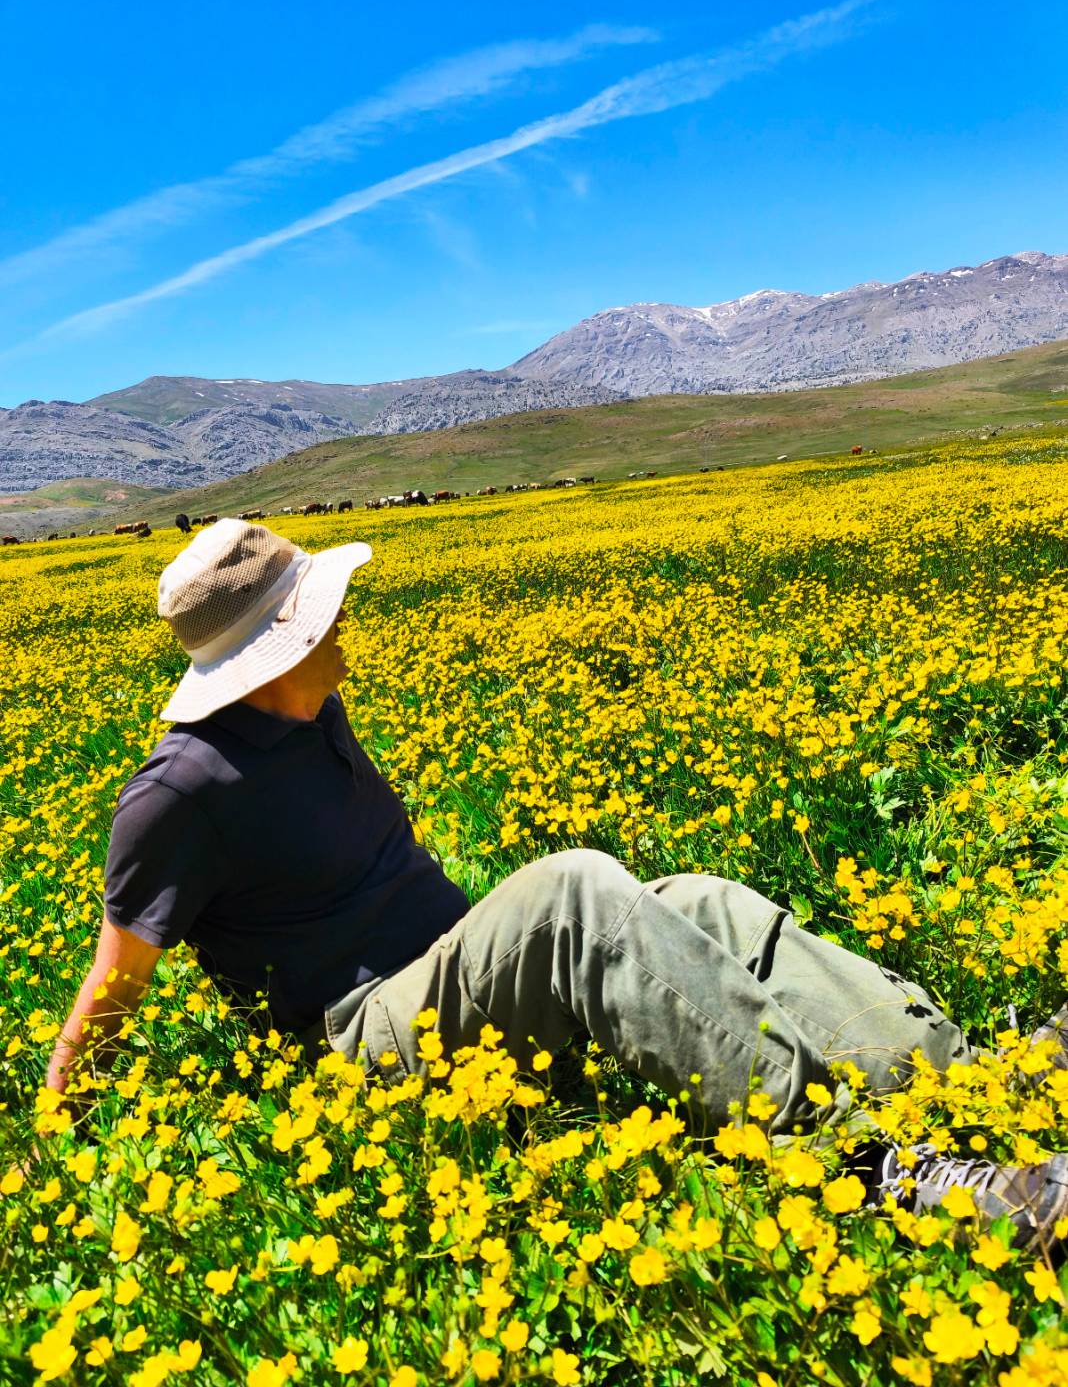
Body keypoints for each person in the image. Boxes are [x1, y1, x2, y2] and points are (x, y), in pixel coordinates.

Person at [47, 520, 1068, 1251]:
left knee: (700, 897)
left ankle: (968, 1070)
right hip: (359, 1040)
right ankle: (878, 1169)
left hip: (446, 982)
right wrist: (64, 1142)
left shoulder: (312, 706)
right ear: (285, 641)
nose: (346, 613)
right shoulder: (176, 791)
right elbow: (114, 977)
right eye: (326, 608)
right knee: (575, 891)